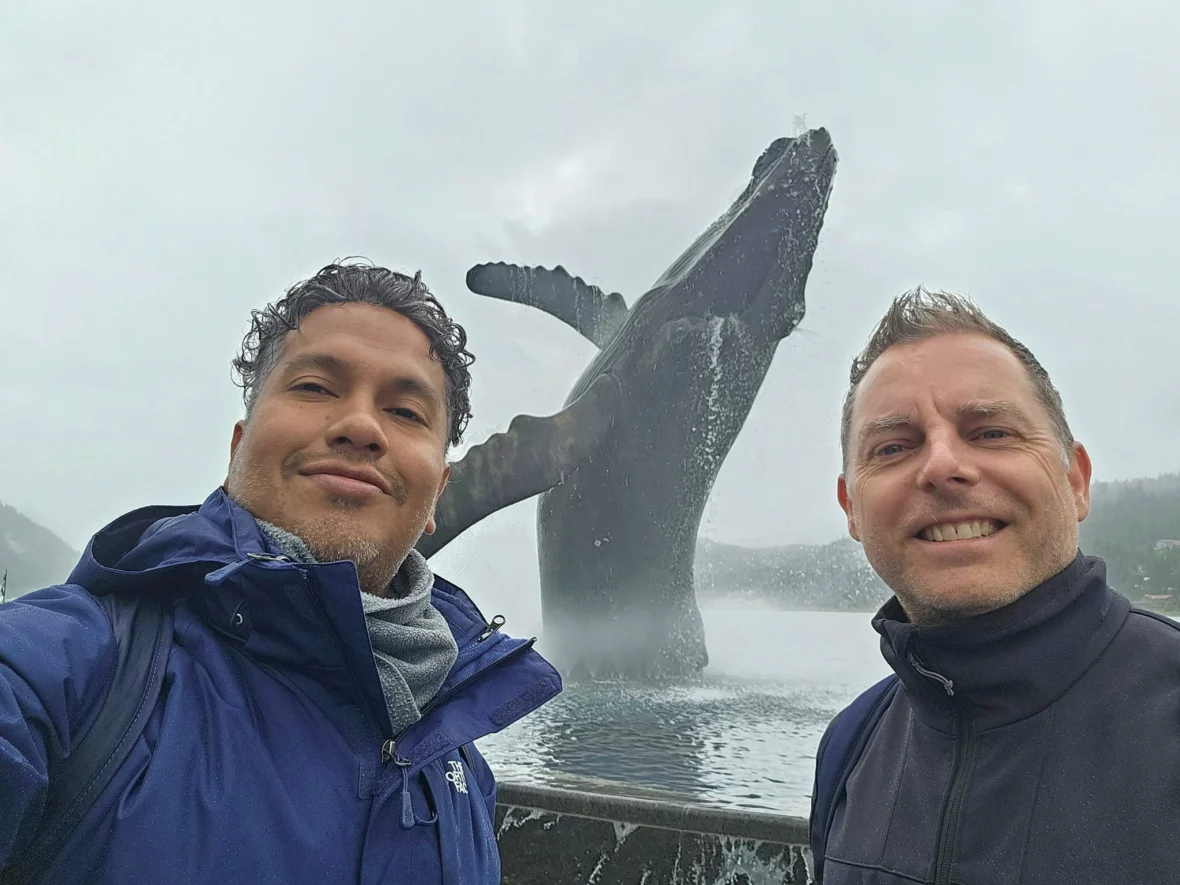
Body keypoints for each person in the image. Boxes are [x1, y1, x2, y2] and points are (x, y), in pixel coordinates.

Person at [0, 261, 562, 884]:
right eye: (316, 387)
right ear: (237, 446)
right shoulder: (68, 667)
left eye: (405, 411)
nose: (360, 427)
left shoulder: (460, 770)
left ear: (439, 492)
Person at [811, 288, 1180, 884]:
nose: (941, 466)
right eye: (894, 447)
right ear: (851, 507)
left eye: (991, 433)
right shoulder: (851, 745)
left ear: (1076, 480)